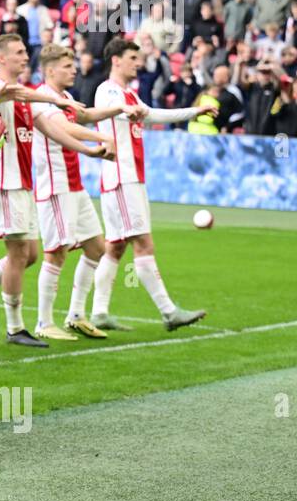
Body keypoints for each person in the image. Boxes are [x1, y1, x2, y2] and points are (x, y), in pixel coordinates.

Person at [0, 33, 86, 348]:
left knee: (30, 255)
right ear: (1, 59)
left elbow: (52, 126)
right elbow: (11, 93)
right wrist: (56, 98)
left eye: (26, 51)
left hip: (24, 183)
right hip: (7, 183)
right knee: (18, 254)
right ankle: (14, 328)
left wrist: (91, 147)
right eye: (19, 52)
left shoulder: (26, 100)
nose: (26, 57)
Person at [88, 38, 211, 332]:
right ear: (116, 60)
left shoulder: (129, 94)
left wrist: (194, 112)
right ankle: (169, 312)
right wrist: (124, 110)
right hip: (122, 178)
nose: (138, 63)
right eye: (132, 58)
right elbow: (105, 110)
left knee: (115, 247)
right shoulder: (107, 91)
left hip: (130, 178)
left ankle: (99, 312)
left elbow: (154, 114)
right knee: (143, 243)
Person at [28, 44, 140, 342]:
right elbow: (64, 126)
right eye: (67, 66)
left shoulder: (63, 97)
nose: (74, 70)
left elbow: (84, 115)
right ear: (50, 70)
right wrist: (101, 137)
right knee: (56, 254)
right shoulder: (41, 100)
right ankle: (43, 322)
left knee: (96, 248)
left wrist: (117, 109)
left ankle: (76, 315)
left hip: (74, 186)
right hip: (55, 186)